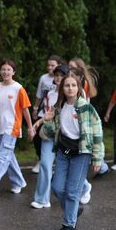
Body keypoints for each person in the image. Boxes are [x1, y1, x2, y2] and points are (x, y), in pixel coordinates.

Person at [41, 72, 104, 230]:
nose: (70, 88)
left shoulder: (87, 108)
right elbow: (47, 134)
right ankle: (73, 210)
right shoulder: (59, 107)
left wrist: (97, 158)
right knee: (57, 187)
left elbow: (97, 134)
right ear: (62, 88)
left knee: (72, 191)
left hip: (81, 153)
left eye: (73, 85)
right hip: (63, 152)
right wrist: (47, 120)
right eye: (67, 85)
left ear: (79, 88)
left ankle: (70, 225)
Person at [0, 59, 34, 198]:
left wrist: (31, 128)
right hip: (0, 127)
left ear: (13, 72)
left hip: (12, 128)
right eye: (3, 69)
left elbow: (25, 110)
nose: (5, 72)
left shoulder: (18, 88)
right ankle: (18, 182)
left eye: (9, 69)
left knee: (1, 158)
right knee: (8, 156)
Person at [30, 64, 68, 209]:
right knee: (45, 164)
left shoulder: (72, 94)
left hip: (66, 137)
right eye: (56, 75)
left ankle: (84, 188)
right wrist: (37, 123)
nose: (58, 77)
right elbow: (48, 116)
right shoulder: (50, 95)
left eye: (61, 75)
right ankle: (42, 199)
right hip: (50, 134)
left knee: (68, 166)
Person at [32, 55, 61, 174]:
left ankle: (55, 162)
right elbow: (39, 95)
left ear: (59, 66)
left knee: (57, 140)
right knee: (38, 137)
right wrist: (35, 108)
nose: (50, 67)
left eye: (52, 65)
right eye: (48, 65)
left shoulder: (63, 79)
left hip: (57, 115)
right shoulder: (43, 78)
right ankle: (42, 159)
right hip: (44, 112)